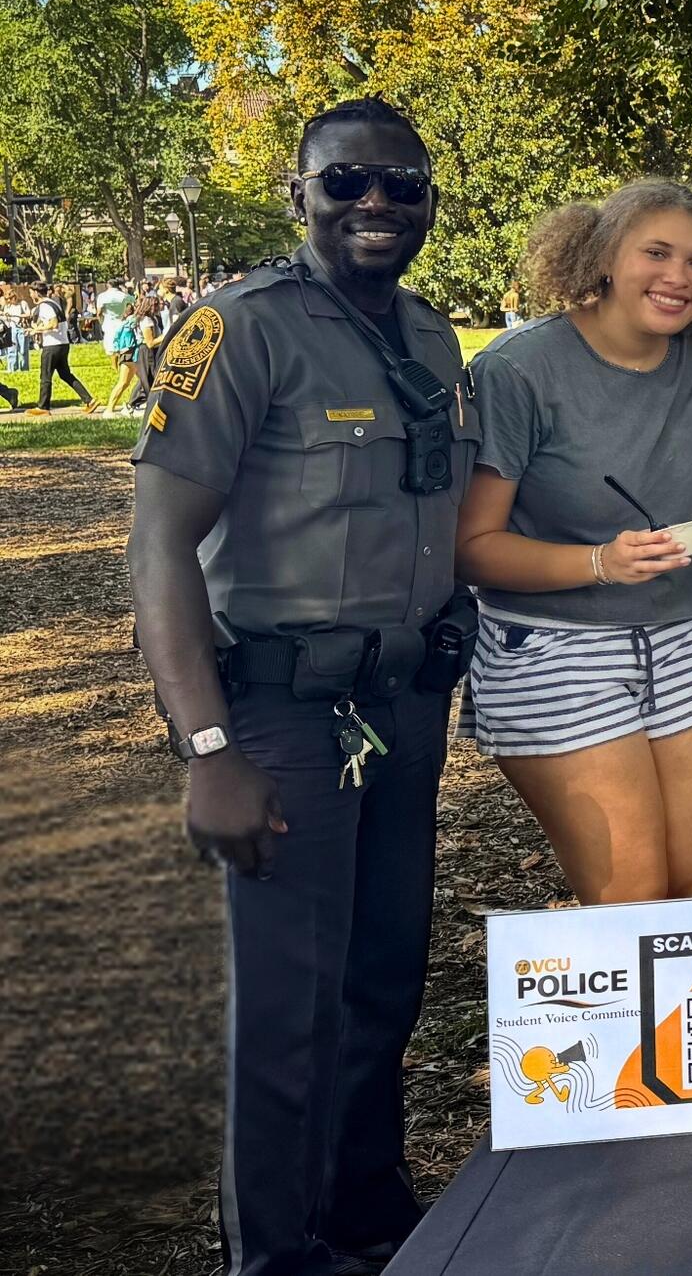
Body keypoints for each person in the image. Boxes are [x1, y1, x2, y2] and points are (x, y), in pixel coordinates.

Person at [126, 97, 480, 1276]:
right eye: (347, 183)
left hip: (403, 703)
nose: (376, 204)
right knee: (290, 1007)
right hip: (282, 708)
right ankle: (273, 1255)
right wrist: (207, 747)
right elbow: (159, 545)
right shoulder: (238, 330)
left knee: (383, 974)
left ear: (430, 203)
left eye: (402, 186)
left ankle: (368, 1210)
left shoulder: (431, 338)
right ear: (301, 194)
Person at [453, 181, 692, 904]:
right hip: (556, 647)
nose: (678, 277)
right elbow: (471, 547)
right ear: (605, 253)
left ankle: (681, 1025)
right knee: (633, 897)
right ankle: (616, 1024)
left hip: (686, 639)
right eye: (656, 252)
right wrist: (597, 563)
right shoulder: (519, 369)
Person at [31, 280, 98, 412]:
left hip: (52, 345)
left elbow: (54, 323)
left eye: (31, 293)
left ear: (36, 293)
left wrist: (37, 330)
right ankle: (89, 400)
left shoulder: (44, 306)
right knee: (66, 375)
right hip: (63, 343)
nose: (31, 295)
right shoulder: (53, 303)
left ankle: (43, 407)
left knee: (45, 376)